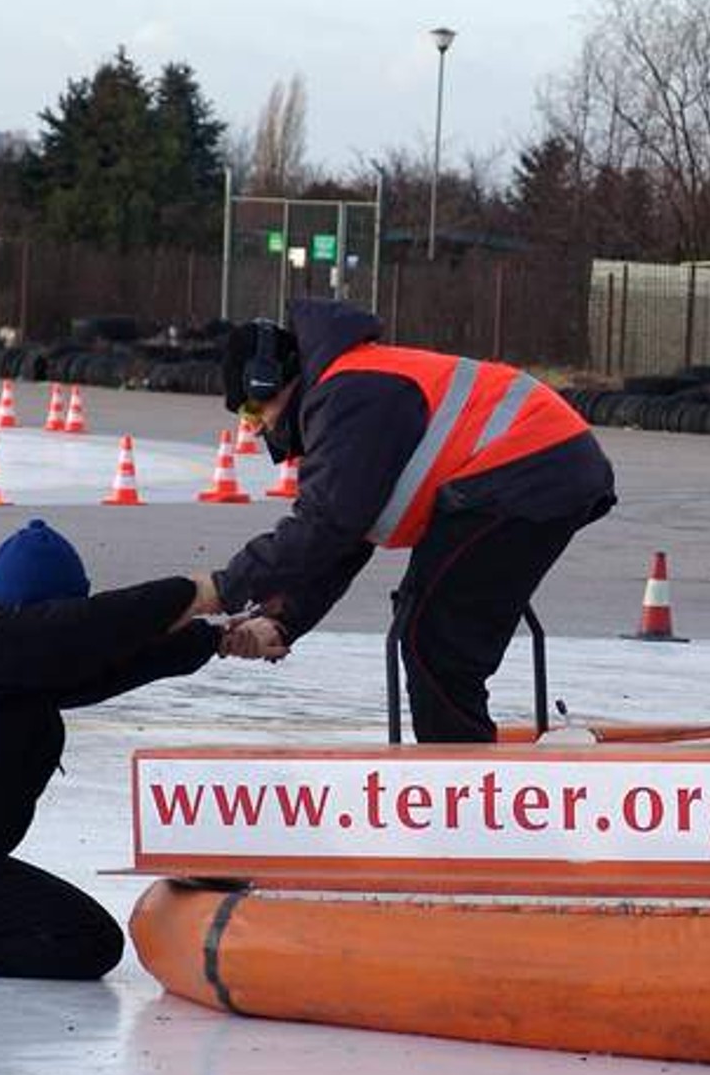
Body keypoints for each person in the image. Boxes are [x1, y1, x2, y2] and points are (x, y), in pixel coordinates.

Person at [0, 519, 285, 977]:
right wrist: (204, 590)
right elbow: (102, 625)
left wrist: (218, 639)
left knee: (75, 934)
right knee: (84, 940)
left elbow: (117, 661)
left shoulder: (15, 664)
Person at [199, 299, 616, 743]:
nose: (256, 428)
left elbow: (326, 525)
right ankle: (459, 766)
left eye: (250, 411)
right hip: (535, 470)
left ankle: (460, 783)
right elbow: (344, 540)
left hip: (526, 471)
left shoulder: (346, 396)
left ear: (267, 381)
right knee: (432, 630)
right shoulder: (345, 392)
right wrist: (283, 620)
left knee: (434, 640)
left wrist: (224, 588)